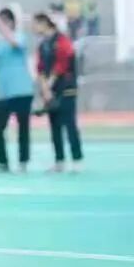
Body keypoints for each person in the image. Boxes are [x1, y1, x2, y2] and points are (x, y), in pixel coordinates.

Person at [33, 13, 84, 173]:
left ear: (44, 23)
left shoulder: (63, 41)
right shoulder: (42, 45)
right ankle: (59, 160)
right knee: (54, 125)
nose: (34, 27)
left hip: (66, 88)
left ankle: (77, 160)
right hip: (51, 91)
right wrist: (45, 89)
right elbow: (40, 68)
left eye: (36, 24)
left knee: (69, 124)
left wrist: (49, 85)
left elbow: (61, 65)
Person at [0, 8, 33, 173]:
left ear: (12, 22)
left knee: (23, 128)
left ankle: (23, 161)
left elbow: (14, 43)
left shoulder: (19, 36)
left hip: (22, 90)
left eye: (4, 21)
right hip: (4, 93)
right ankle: (3, 162)